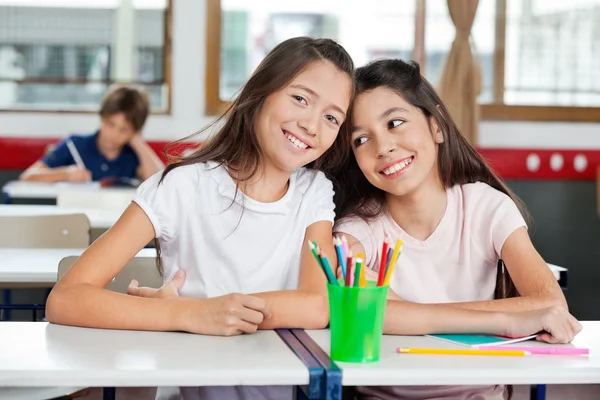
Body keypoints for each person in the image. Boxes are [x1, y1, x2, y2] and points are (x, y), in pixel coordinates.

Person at [46, 37, 355, 400]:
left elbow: (317, 306)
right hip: (191, 386)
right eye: (300, 98)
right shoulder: (182, 185)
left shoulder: (314, 191)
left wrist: (212, 310)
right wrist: (189, 315)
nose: (312, 125)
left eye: (332, 117)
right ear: (261, 90)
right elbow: (65, 299)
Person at [331, 59, 582, 400]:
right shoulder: (357, 230)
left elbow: (550, 304)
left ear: (437, 125)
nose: (383, 147)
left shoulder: (486, 207)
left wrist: (407, 313)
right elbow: (363, 313)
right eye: (361, 140)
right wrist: (504, 320)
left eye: (395, 122)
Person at [19, 84, 164, 184]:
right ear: (102, 117)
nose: (114, 134)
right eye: (110, 124)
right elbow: (27, 177)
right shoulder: (74, 144)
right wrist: (66, 174)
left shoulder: (132, 154)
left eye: (124, 130)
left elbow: (162, 183)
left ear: (135, 131)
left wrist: (138, 142)